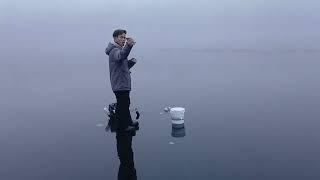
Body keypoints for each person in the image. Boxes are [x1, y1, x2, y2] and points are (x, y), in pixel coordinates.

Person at [105, 29, 138, 132]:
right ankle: (123, 126)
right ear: (115, 38)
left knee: (125, 103)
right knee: (122, 105)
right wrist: (129, 45)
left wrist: (129, 63)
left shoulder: (118, 49)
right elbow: (121, 56)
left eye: (124, 37)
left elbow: (121, 65)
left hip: (122, 83)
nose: (123, 39)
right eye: (121, 37)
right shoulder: (115, 50)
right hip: (119, 84)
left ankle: (128, 122)